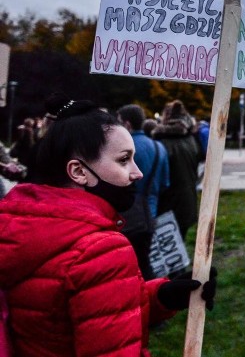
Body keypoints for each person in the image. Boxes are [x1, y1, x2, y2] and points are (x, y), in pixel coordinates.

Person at [0, 96, 214, 356]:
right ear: (79, 171)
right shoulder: (101, 249)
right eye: (124, 160)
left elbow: (80, 313)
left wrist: (163, 295)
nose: (137, 173)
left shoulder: (21, 224)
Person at [117, 104, 171, 280]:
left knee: (125, 265)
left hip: (125, 217)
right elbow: (165, 183)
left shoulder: (123, 151)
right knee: (144, 261)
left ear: (127, 125)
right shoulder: (159, 147)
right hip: (150, 214)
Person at [152, 100, 202, 239]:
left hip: (166, 205)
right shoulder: (192, 140)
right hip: (188, 202)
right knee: (180, 241)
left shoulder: (160, 142)